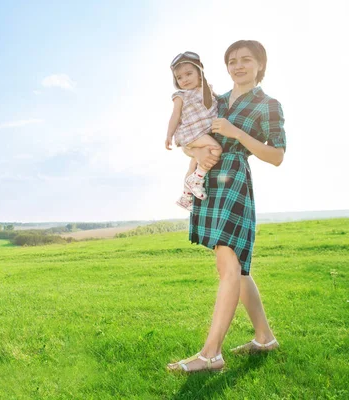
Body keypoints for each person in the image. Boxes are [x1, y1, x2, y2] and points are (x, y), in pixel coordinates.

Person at [167, 40, 286, 373]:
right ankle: (264, 338)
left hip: (234, 179)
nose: (238, 66)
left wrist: (236, 133)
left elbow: (276, 155)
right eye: (232, 61)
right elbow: (188, 134)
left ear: (260, 65)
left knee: (229, 266)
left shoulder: (268, 105)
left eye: (246, 60)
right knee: (235, 267)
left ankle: (211, 354)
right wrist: (194, 152)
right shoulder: (212, 100)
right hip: (209, 177)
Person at [165, 52, 222, 211]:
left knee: (193, 163)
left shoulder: (207, 90)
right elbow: (175, 115)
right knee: (216, 149)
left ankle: (186, 196)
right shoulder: (181, 95)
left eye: (189, 74)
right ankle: (197, 179)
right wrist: (169, 134)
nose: (185, 79)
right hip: (192, 132)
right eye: (179, 77)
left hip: (202, 133)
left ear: (200, 73)